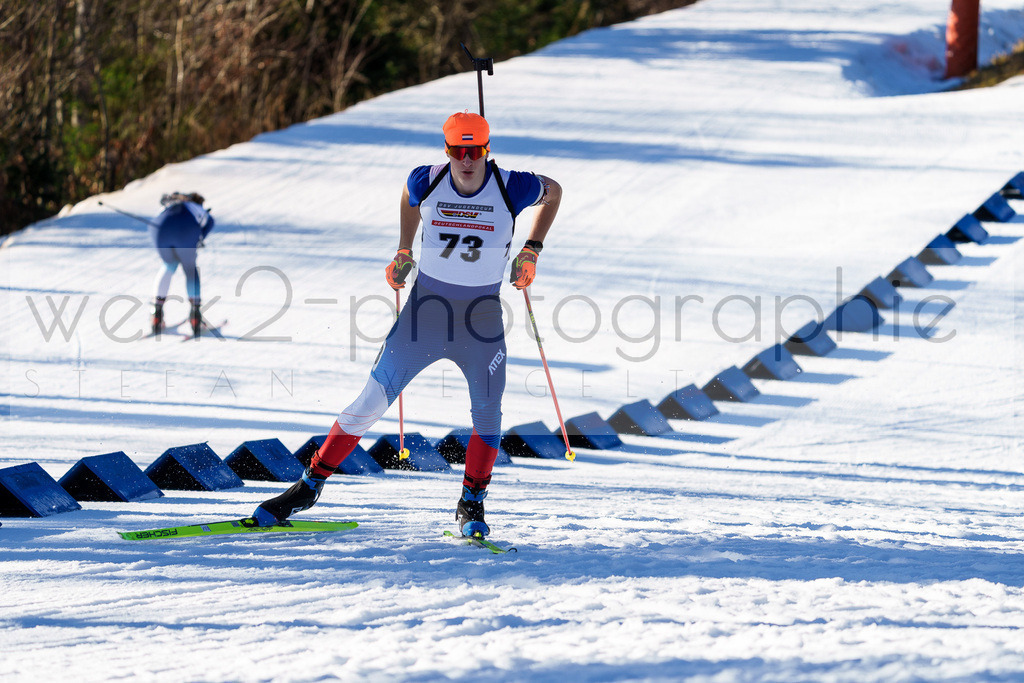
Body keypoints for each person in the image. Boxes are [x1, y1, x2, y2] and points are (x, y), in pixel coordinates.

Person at [253, 112, 562, 537]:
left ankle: (471, 502)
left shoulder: (513, 185)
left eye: (475, 151)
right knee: (369, 401)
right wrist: (403, 249)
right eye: (458, 151)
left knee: (488, 416)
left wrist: (532, 250)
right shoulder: (427, 179)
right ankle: (307, 487)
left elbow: (555, 191)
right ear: (447, 150)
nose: (467, 160)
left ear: (487, 150)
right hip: (424, 315)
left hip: (480, 320)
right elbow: (407, 196)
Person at [149, 192, 214, 337]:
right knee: (190, 269)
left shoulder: (169, 204)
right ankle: (195, 316)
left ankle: (156, 315)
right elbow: (210, 222)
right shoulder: (196, 208)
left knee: (169, 265)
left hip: (158, 231)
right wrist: (200, 237)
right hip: (186, 230)